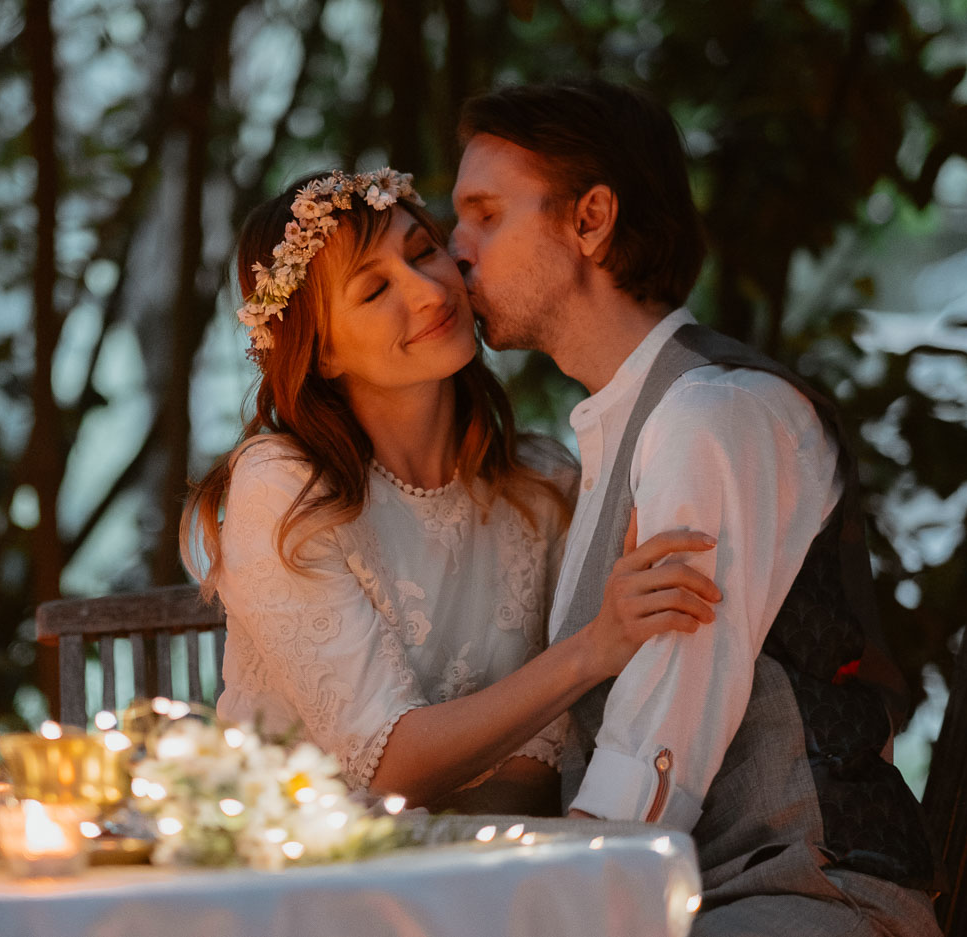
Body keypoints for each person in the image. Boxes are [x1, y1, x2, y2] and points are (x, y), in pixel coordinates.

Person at [449, 77, 940, 934]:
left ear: (591, 220)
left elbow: (657, 742)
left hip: (805, 895)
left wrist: (533, 910)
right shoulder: (618, 430)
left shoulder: (711, 415)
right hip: (692, 899)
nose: (456, 249)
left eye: (485, 214)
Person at [181, 168, 722, 813]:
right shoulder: (286, 489)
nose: (431, 292)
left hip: (492, 855)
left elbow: (541, 765)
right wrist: (591, 651)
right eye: (375, 289)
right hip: (303, 857)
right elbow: (388, 768)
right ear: (322, 352)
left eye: (423, 252)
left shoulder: (540, 483)